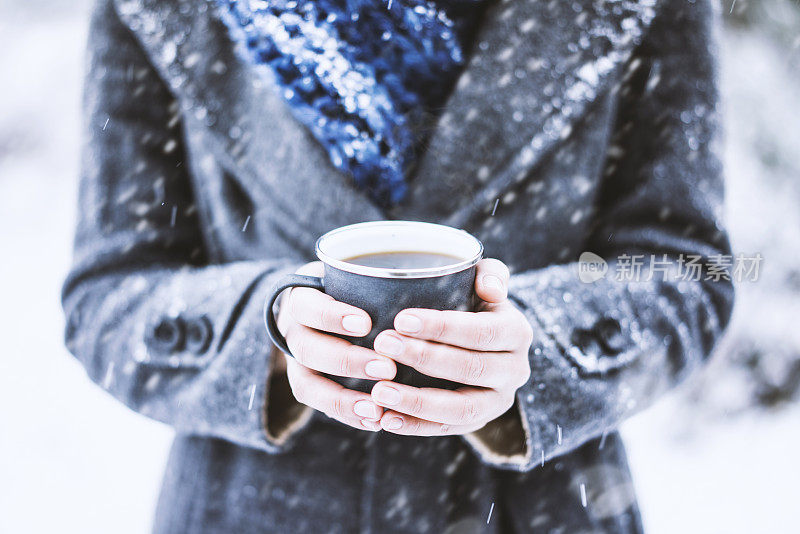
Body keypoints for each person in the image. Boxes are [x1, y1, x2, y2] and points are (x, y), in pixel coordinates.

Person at [62, 0, 734, 532]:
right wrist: (262, 333)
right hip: (250, 509)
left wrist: (541, 343)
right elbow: (108, 294)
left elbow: (687, 267)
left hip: (541, 507)